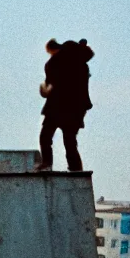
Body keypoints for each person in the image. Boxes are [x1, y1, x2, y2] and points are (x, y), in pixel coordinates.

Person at [36, 38, 94, 172]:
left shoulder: (54, 63)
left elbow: (49, 87)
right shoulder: (79, 62)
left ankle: (46, 163)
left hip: (57, 106)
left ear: (51, 49)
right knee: (70, 141)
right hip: (75, 107)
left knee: (46, 137)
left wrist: (44, 90)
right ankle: (75, 168)